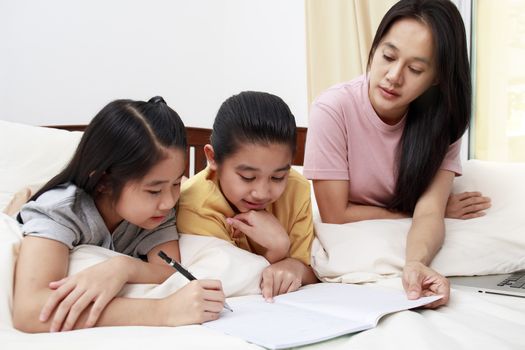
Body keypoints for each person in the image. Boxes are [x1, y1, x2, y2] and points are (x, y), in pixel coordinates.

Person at [303, 0, 491, 308]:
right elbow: (335, 214)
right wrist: (422, 211)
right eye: (388, 56)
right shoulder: (332, 109)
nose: (393, 75)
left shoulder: (442, 122)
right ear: (374, 49)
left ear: (437, 77)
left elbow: (429, 211)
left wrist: (415, 263)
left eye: (415, 69)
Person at [13, 97, 226, 333]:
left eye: (176, 184)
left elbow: (169, 269)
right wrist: (162, 311)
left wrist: (123, 268)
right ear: (104, 181)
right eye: (153, 190)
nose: (169, 202)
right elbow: (30, 311)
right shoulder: (61, 211)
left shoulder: (157, 212)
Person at [177, 91, 318, 302]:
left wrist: (295, 266)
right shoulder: (194, 204)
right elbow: (230, 282)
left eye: (278, 177)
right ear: (212, 158)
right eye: (247, 177)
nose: (261, 193)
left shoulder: (296, 189)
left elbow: (310, 271)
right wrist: (279, 249)